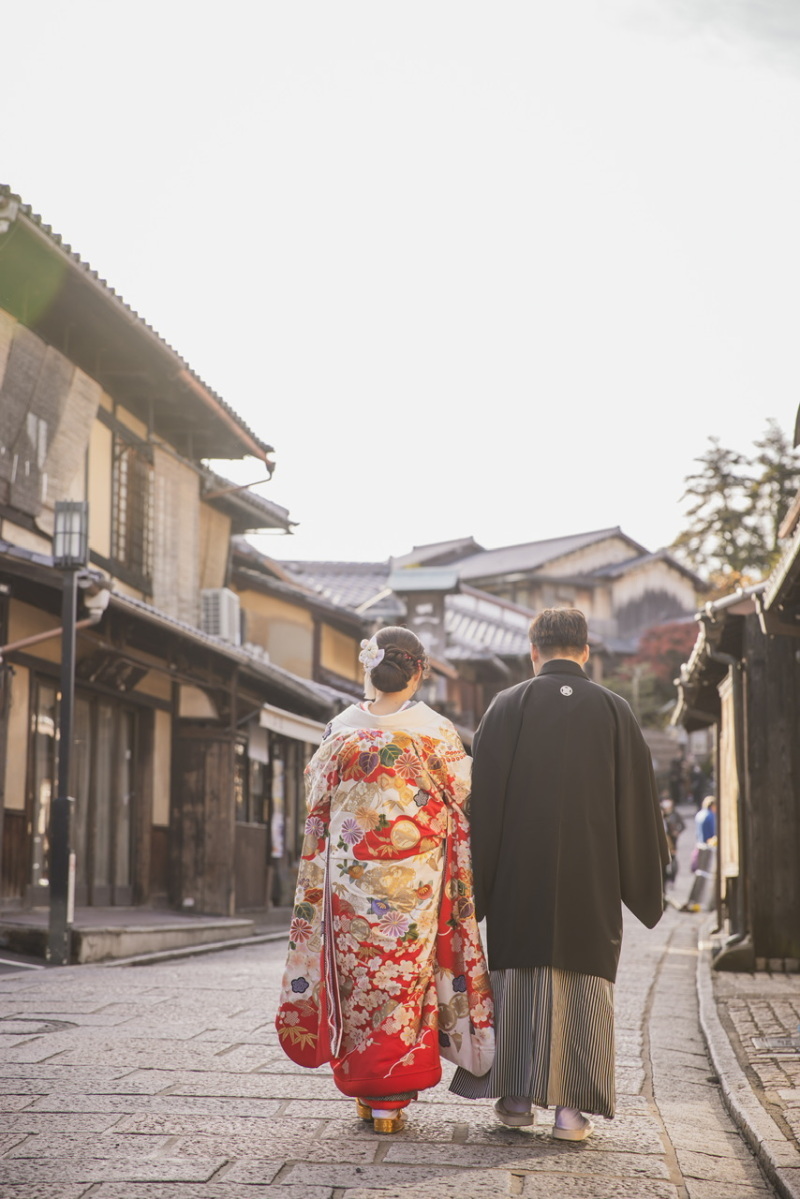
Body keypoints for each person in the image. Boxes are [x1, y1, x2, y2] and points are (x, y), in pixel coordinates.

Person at [450, 608, 668, 1140]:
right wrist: (638, 877)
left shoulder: (506, 707)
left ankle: (518, 1099)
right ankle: (572, 1111)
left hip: (520, 876)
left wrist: (475, 891)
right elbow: (639, 805)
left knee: (520, 980)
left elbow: (484, 808)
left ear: (533, 652)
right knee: (585, 981)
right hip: (592, 877)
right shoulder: (616, 711)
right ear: (585, 652)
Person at [275, 626, 493, 1134]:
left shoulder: (339, 730)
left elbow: (317, 800)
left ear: (368, 669)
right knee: (402, 986)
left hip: (350, 888)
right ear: (420, 670)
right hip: (413, 888)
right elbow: (463, 795)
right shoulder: (436, 731)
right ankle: (390, 1094)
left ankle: (363, 1088)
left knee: (358, 986)